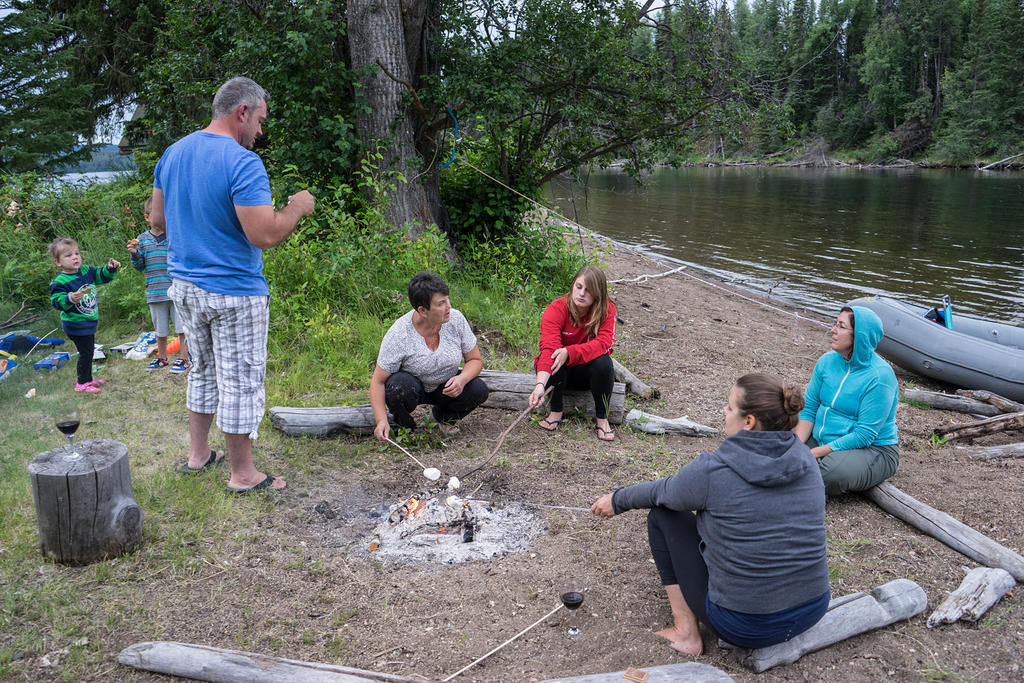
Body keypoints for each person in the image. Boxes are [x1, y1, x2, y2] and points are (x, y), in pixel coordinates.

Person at [150, 76, 315, 493]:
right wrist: (297, 206)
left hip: (184, 286)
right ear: (242, 111)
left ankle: (198, 455)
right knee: (240, 378)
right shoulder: (242, 163)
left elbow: (156, 223)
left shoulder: (173, 154)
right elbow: (265, 234)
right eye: (259, 120)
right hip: (235, 291)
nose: (260, 131)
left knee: (202, 370)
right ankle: (243, 475)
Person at [591, 374, 830, 655]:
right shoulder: (806, 460)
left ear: (748, 421)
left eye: (729, 408)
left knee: (663, 516)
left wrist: (617, 499)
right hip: (812, 610)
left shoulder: (715, 470)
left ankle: (686, 632)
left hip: (746, 625)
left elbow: (662, 492)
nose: (724, 412)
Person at [795, 305, 899, 495]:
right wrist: (795, 445)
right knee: (778, 441)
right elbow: (809, 409)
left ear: (859, 336)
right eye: (835, 324)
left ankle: (793, 481)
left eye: (841, 326)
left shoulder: (880, 377)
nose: (833, 330)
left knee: (832, 473)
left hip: (872, 449)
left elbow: (864, 435)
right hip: (823, 438)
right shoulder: (826, 361)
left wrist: (814, 453)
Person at [371, 272, 488, 440]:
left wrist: (462, 380)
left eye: (447, 300)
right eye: (441, 303)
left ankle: (444, 418)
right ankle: (404, 426)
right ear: (422, 310)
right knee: (398, 386)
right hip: (412, 387)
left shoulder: (456, 319)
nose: (448, 307)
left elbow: (475, 360)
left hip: (445, 386)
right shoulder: (399, 334)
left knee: (479, 389)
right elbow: (378, 381)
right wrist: (381, 420)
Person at [527, 265, 617, 441]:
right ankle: (555, 412)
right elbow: (548, 349)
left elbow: (605, 343)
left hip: (587, 373)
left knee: (604, 363)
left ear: (598, 294)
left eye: (589, 290)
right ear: (572, 286)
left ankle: (602, 419)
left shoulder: (607, 309)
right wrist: (539, 386)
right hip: (560, 373)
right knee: (554, 357)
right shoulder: (556, 309)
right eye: (579, 287)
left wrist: (570, 351)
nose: (582, 293)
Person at [48, 238, 120, 393]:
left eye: (77, 253)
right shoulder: (59, 282)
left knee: (89, 352)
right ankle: (81, 383)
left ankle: (88, 379)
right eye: (68, 255)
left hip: (88, 322)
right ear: (58, 262)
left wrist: (110, 268)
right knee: (86, 353)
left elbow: (102, 276)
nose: (75, 257)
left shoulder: (86, 271)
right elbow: (56, 302)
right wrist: (69, 298)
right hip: (74, 324)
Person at [127, 196, 189, 373]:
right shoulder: (142, 240)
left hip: (176, 290)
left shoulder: (174, 237)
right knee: (160, 329)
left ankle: (184, 358)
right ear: (147, 218)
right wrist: (134, 254)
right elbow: (139, 267)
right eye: (158, 214)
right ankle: (162, 358)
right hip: (155, 291)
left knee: (181, 327)